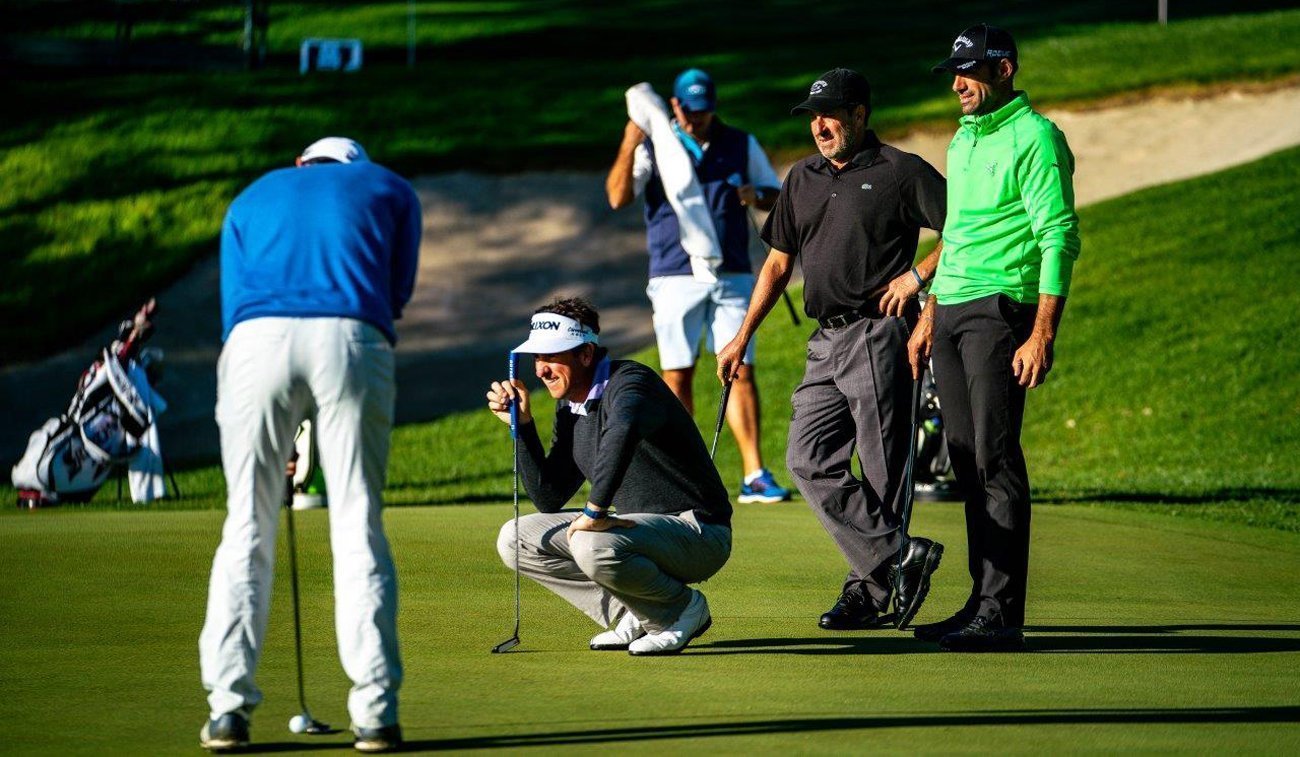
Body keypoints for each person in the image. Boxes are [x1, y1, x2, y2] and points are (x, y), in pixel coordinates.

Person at [199, 137, 421, 753]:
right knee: (355, 521)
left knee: (247, 522)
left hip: (252, 343)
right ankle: (375, 713)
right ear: (358, 168)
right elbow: (393, 296)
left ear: (301, 164)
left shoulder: (251, 194)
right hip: (352, 334)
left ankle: (228, 710)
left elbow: (236, 310)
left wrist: (282, 422)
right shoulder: (389, 187)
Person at [717, 69, 948, 632]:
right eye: (813, 116)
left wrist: (917, 281)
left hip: (880, 330)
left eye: (831, 114)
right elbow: (777, 262)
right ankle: (896, 556)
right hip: (824, 340)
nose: (819, 125)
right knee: (806, 457)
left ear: (860, 115)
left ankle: (869, 592)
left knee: (882, 468)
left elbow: (966, 231)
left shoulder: (901, 171)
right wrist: (743, 334)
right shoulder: (803, 177)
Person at [909, 25, 1081, 652]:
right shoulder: (961, 140)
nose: (958, 84)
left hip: (1002, 309)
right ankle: (980, 601)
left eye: (970, 72)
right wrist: (929, 311)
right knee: (961, 457)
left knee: (994, 456)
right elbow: (955, 233)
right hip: (952, 308)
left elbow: (1059, 234)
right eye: (955, 73)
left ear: (1004, 70)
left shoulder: (1036, 137)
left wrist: (1042, 332)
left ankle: (1002, 612)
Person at [487, 296, 732, 655]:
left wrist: (594, 511)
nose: (540, 370)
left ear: (586, 355)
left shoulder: (632, 381)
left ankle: (681, 609)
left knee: (589, 540)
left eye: (551, 357)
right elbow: (549, 496)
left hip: (698, 532)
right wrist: (523, 425)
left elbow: (624, 430)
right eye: (537, 358)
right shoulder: (569, 406)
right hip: (639, 531)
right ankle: (640, 610)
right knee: (516, 538)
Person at [606, 68, 791, 504]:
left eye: (704, 111)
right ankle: (683, 475)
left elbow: (777, 196)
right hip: (674, 273)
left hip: (733, 272)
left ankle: (754, 475)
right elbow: (617, 197)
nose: (696, 119)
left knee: (741, 370)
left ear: (713, 107)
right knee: (677, 373)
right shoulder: (654, 144)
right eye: (689, 112)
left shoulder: (740, 142)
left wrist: (754, 195)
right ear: (674, 106)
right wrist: (630, 142)